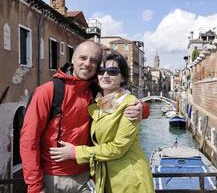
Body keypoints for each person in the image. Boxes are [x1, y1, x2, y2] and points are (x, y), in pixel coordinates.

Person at [20, 41, 144, 193]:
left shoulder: (96, 92)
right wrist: (34, 187)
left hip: (87, 178)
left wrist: (142, 108)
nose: (87, 64)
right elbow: (28, 140)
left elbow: (122, 103)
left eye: (93, 61)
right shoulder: (47, 92)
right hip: (52, 178)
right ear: (72, 59)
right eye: (83, 58)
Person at [49, 53, 155, 193]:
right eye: (101, 71)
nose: (105, 75)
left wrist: (75, 152)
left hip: (129, 179)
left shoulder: (129, 105)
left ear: (123, 77)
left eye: (112, 72)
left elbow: (118, 148)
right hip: (105, 178)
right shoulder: (99, 101)